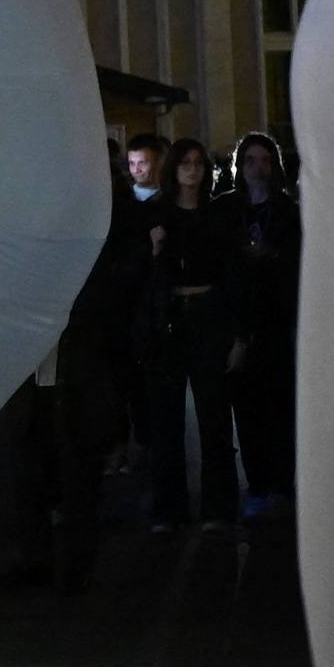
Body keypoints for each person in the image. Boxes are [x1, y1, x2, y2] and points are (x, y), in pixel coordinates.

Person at [4, 144, 146, 591]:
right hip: (41, 356)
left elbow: (123, 282)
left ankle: (75, 565)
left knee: (76, 465)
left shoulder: (112, 214)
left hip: (81, 354)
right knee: (31, 467)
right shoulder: (42, 210)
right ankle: (37, 560)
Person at [139, 138, 239, 534]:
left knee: (213, 414)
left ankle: (218, 505)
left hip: (207, 315)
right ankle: (170, 507)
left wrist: (236, 332)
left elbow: (232, 275)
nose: (193, 170)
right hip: (170, 318)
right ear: (175, 168)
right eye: (186, 163)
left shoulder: (215, 216)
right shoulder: (157, 214)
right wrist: (152, 250)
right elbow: (139, 272)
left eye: (198, 163)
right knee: (166, 419)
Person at [225, 134, 303, 520]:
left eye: (265, 160)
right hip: (241, 320)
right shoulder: (228, 211)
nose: (258, 167)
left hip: (277, 321)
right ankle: (258, 483)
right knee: (249, 410)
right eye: (251, 160)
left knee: (281, 408)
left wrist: (269, 258)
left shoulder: (287, 212)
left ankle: (281, 483)